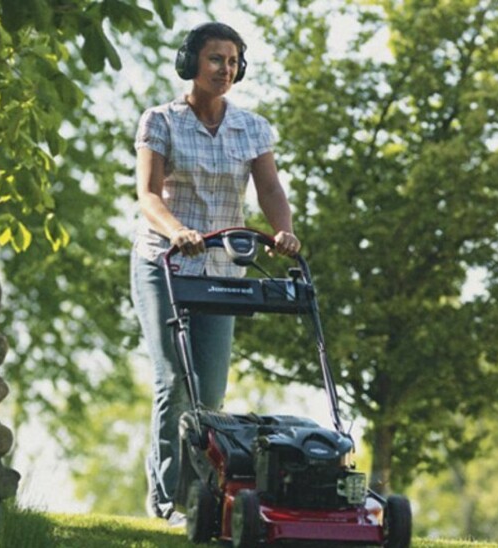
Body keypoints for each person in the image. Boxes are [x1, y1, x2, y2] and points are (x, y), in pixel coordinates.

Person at [131, 21, 300, 525]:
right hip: (165, 262)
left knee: (210, 394)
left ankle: (207, 501)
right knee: (174, 383)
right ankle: (168, 500)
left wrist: (284, 231)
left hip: (224, 266)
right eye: (215, 59)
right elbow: (149, 194)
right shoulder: (159, 120)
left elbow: (269, 189)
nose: (225, 69)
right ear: (191, 62)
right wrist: (177, 229)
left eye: (233, 61)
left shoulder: (252, 127)